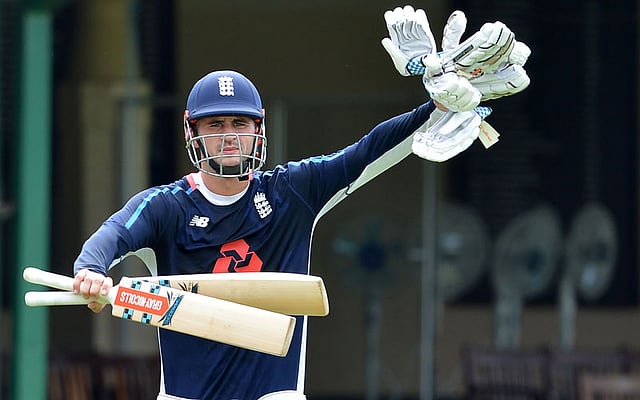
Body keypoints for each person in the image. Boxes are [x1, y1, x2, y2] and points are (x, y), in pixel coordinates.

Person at [71, 6, 529, 400]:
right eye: (215, 124)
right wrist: (90, 271)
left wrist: (435, 107)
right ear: (192, 132)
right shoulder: (165, 207)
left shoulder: (291, 193)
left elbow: (366, 152)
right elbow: (112, 235)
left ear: (259, 129)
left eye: (240, 122)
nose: (229, 134)